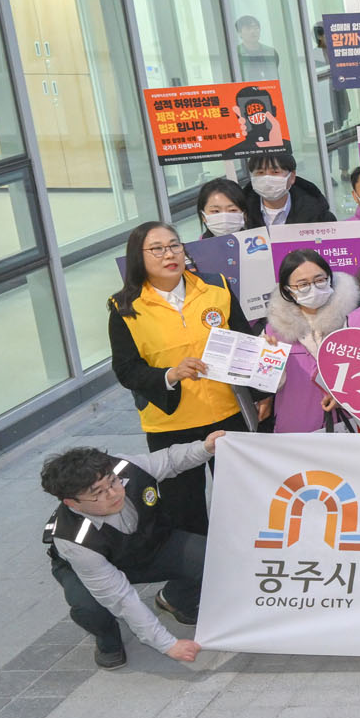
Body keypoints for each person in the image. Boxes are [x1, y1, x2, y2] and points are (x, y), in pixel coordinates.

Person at [107, 222, 255, 536]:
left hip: (228, 413)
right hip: (171, 425)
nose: (169, 254)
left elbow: (245, 342)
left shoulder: (217, 286)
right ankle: (195, 566)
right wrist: (170, 374)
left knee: (244, 503)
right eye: (157, 249)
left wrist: (260, 392)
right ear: (138, 256)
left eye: (174, 245)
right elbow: (126, 370)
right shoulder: (124, 307)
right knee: (184, 512)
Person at [40, 434, 224, 668]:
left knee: (212, 556)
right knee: (89, 607)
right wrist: (167, 644)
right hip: (90, 568)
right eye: (98, 494)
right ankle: (108, 641)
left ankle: (176, 600)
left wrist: (205, 447)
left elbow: (169, 460)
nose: (113, 493)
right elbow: (120, 597)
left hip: (146, 544)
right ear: (71, 503)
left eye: (113, 482)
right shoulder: (75, 541)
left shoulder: (124, 468)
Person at [263, 250, 360, 433]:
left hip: (350, 423)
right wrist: (266, 358)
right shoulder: (274, 331)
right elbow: (272, 385)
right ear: (288, 290)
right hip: (297, 428)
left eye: (320, 280)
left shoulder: (354, 320)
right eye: (303, 285)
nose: (314, 288)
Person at [243, 153, 335, 228]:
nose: (267, 179)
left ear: (292, 176)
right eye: (260, 173)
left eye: (275, 172)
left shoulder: (318, 215)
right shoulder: (241, 211)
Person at [235, 14, 279, 82]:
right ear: (239, 33)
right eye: (248, 28)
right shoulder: (235, 53)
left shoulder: (270, 52)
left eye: (256, 28)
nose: (253, 31)